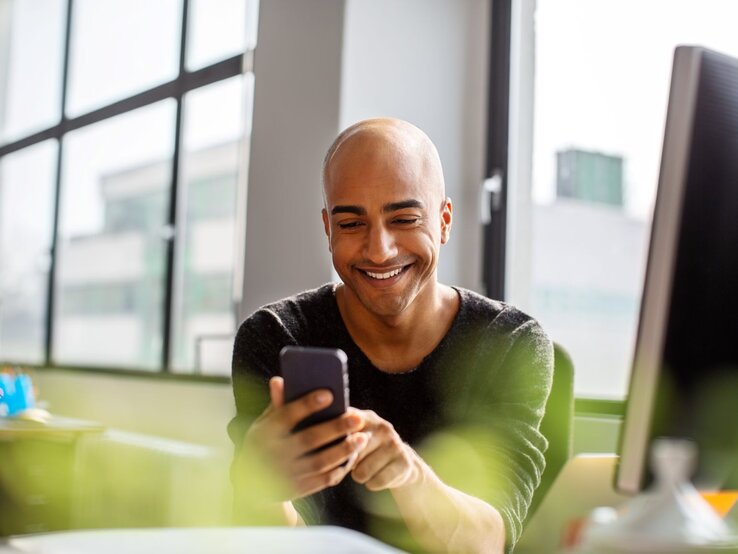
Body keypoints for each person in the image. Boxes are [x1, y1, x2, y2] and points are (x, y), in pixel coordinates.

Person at [228, 118, 553, 553]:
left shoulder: (509, 344)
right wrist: (261, 487)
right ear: (328, 229)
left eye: (403, 218)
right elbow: (279, 542)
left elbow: (488, 543)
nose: (379, 250)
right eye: (351, 224)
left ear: (443, 220)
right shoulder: (276, 336)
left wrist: (407, 476)